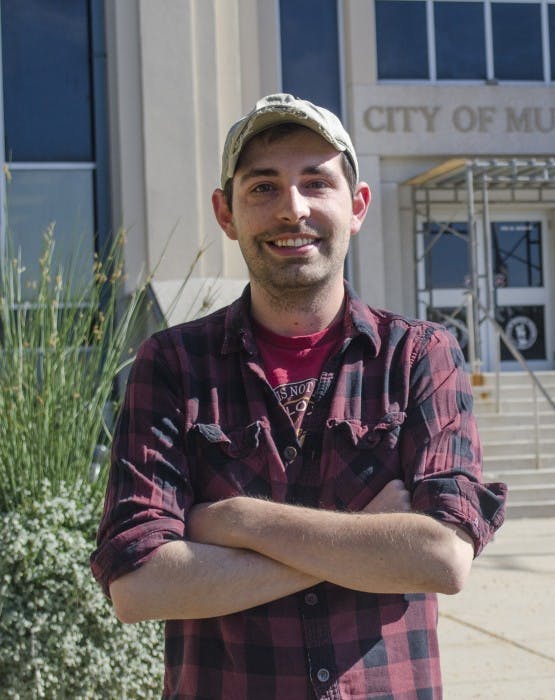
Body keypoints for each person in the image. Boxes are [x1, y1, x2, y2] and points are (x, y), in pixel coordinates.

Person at [91, 93, 507, 699]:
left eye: (316, 183)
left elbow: (442, 557)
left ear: (356, 206)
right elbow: (139, 586)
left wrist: (236, 521)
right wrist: (372, 539)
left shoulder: (420, 356)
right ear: (226, 213)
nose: (292, 209)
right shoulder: (175, 364)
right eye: (262, 187)